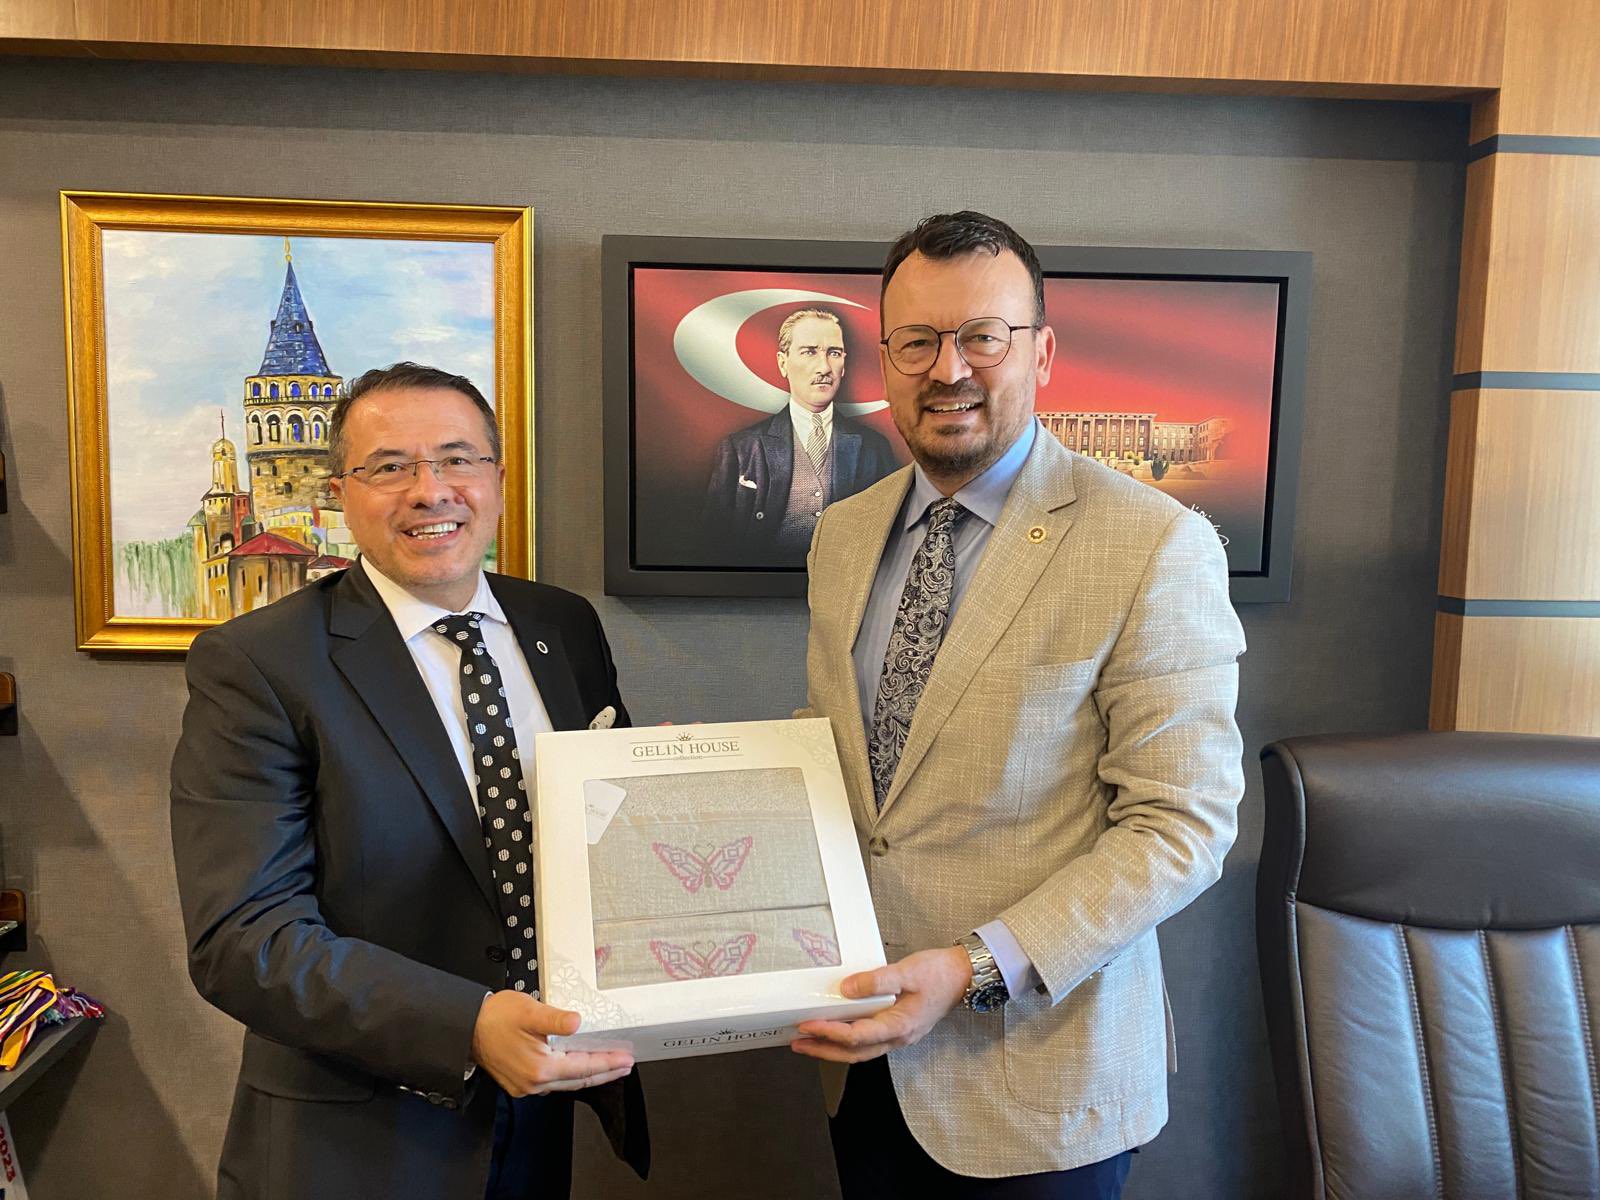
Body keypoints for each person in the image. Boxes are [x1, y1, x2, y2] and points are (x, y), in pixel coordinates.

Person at [790, 213, 1246, 1199]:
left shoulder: (1152, 544)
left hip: (1040, 1081)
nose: (947, 368)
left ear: (1040, 353)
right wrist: (712, 791)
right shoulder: (843, 535)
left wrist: (972, 968)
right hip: (862, 1060)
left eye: (982, 336)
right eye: (917, 340)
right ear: (886, 359)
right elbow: (856, 767)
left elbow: (1182, 825)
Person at [170, 362, 647, 1200]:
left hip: (546, 1112)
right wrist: (465, 1026)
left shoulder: (563, 626)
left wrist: (663, 803)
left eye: (458, 459)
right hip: (357, 1142)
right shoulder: (259, 663)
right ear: (342, 494)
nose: (431, 491)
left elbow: (598, 835)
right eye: (391, 466)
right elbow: (245, 940)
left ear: (498, 480)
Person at [702, 307, 897, 565]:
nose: (824, 367)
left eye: (834, 353)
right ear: (783, 363)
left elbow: (891, 544)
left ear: (844, 364)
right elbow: (713, 547)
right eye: (809, 352)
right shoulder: (741, 449)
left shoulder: (874, 448)